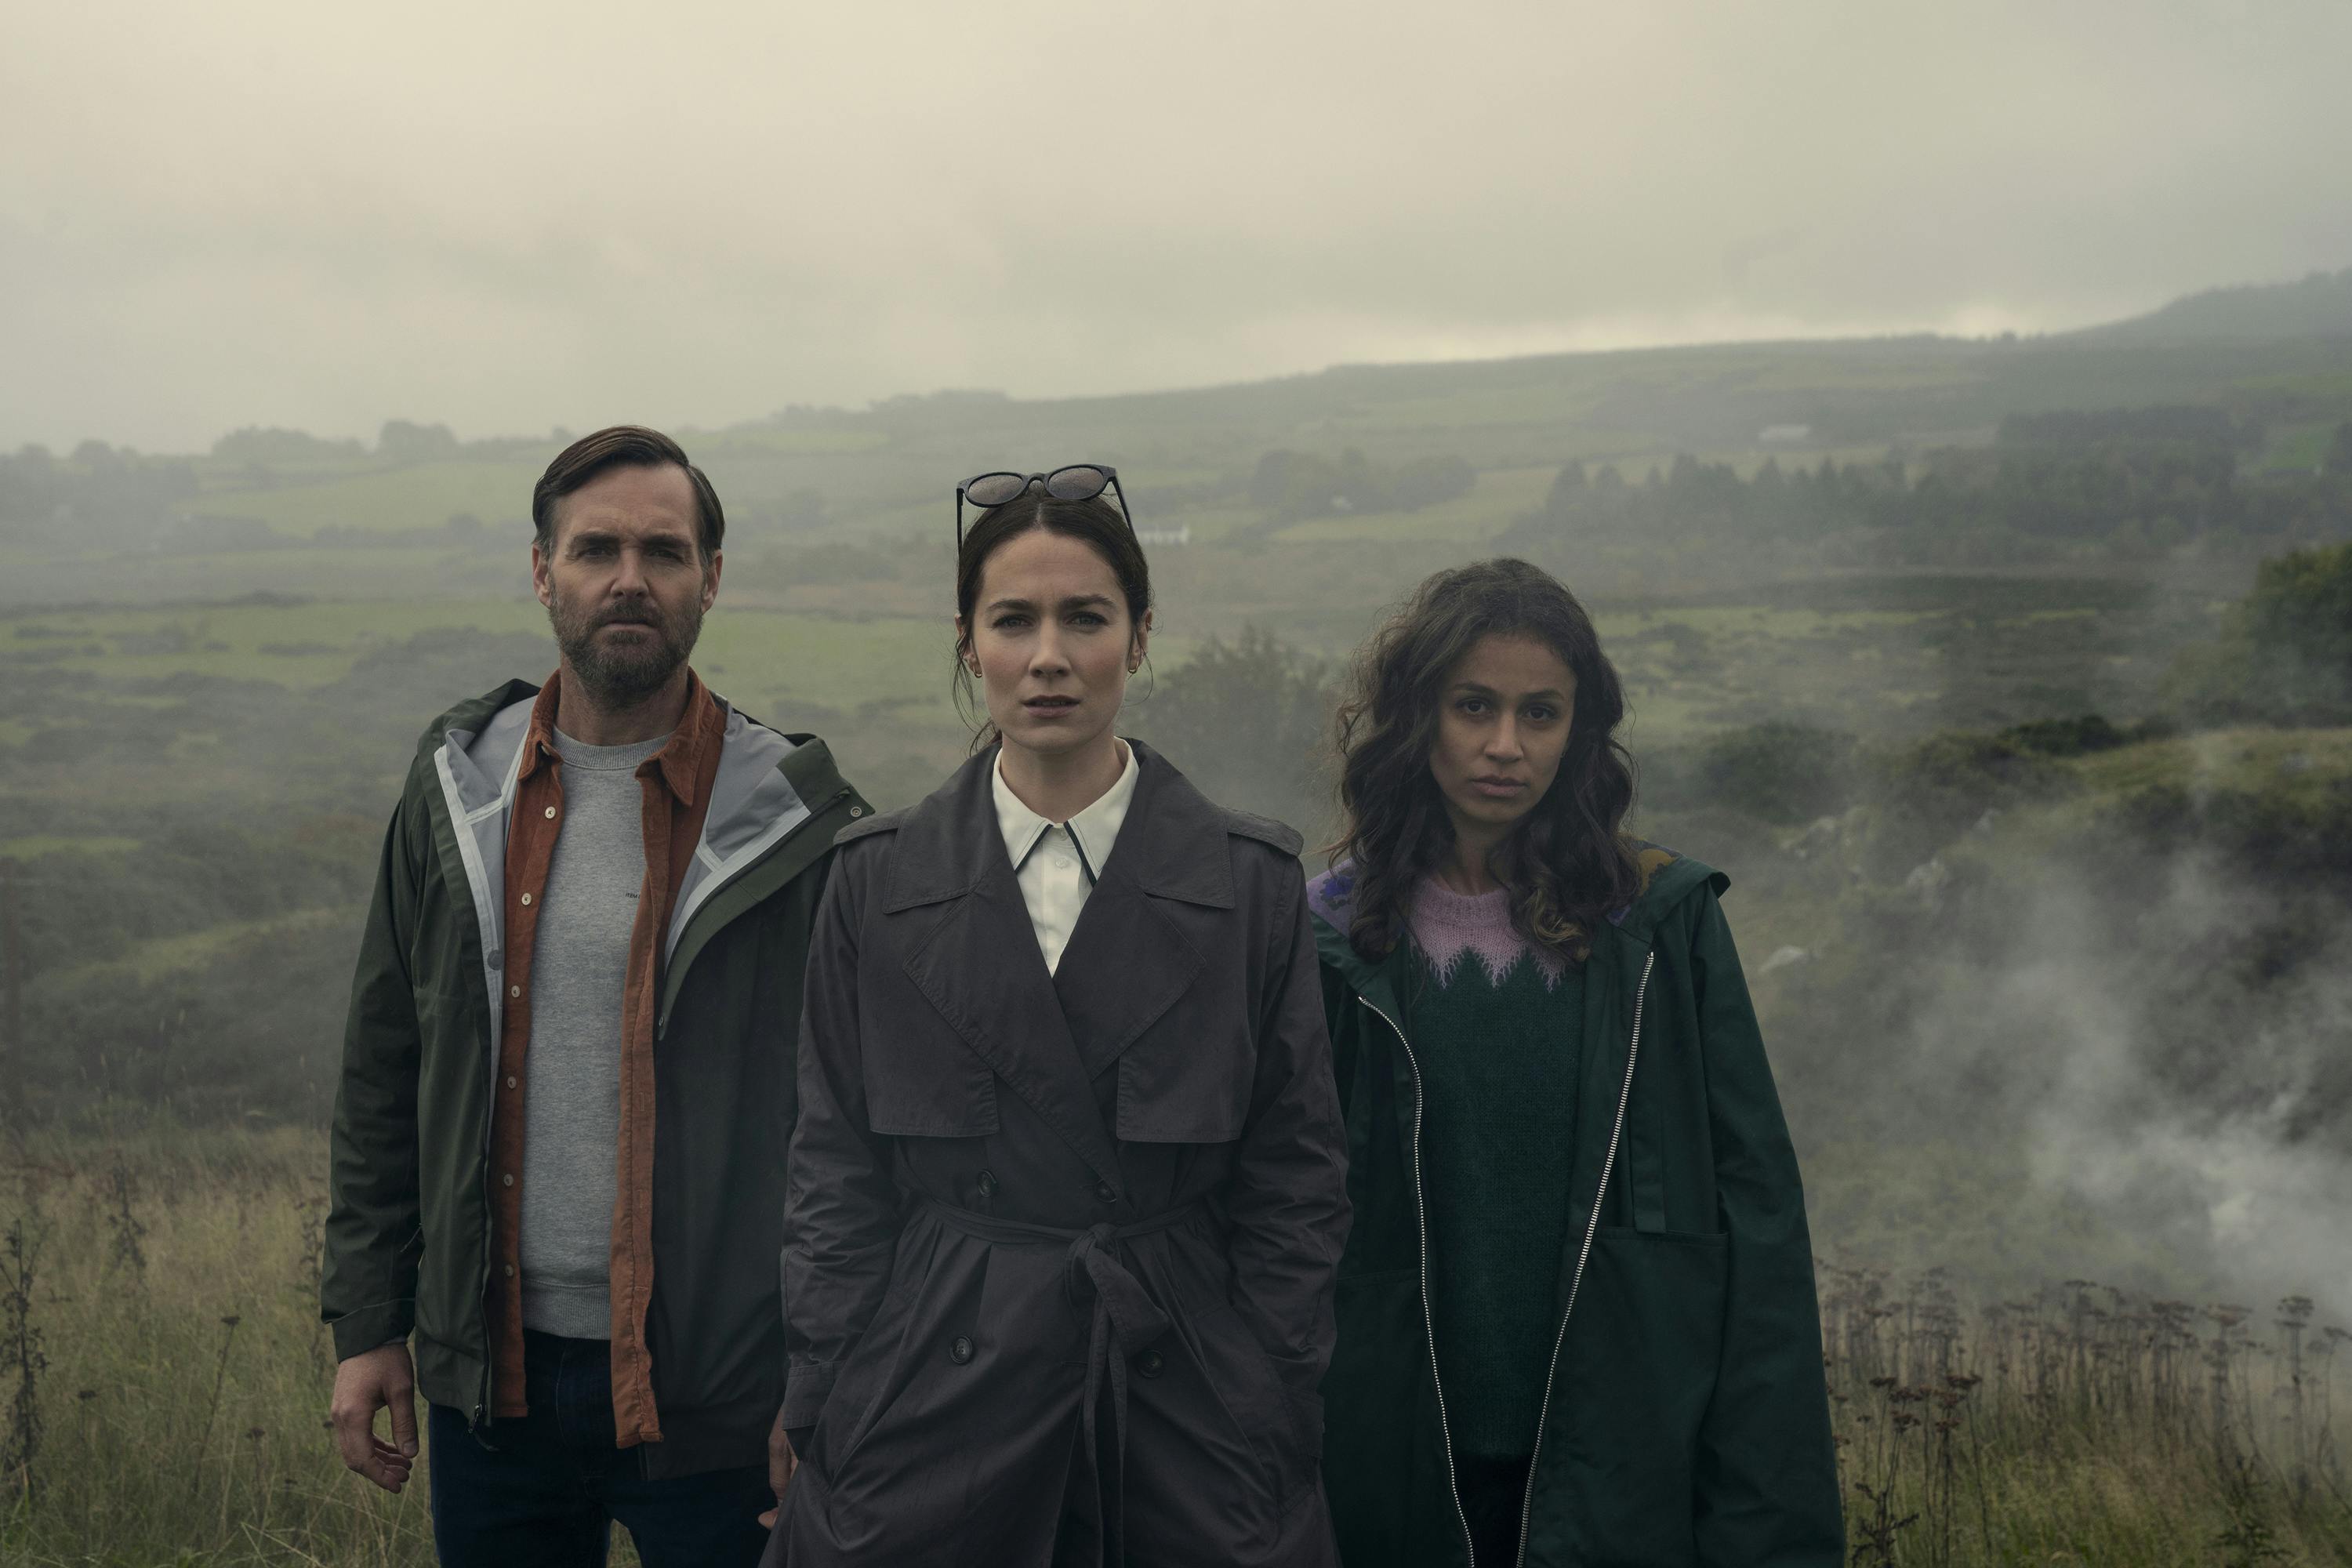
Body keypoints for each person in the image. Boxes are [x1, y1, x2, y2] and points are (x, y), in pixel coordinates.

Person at [766, 467, 1351, 1566]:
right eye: (1013, 621)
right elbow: (833, 1167)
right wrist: (828, 1395)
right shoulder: (875, 884)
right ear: (965, 642)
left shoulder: (1249, 884)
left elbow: (1297, 1173)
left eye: (1085, 619)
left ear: (1137, 640)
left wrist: (1270, 1385)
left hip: (1185, 1394)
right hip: (930, 1395)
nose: (1048, 657)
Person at [322, 426, 870, 1567]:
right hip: (497, 1386)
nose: (631, 579)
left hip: (718, 1395)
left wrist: (828, 1373)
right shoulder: (455, 796)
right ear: (542, 570)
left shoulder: (798, 826)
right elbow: (388, 1068)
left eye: (665, 552)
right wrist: (369, 1323)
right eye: (597, 549)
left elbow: (855, 1132)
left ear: (710, 579)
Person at [1309, 559, 1842, 1567]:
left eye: (1540, 713)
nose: (1505, 745)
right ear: (1416, 715)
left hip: (1622, 1475)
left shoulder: (1661, 928)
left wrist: (1771, 1529)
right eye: (1474, 706)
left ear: (1579, 731)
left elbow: (1755, 1227)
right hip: (1389, 1472)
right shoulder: (1328, 943)